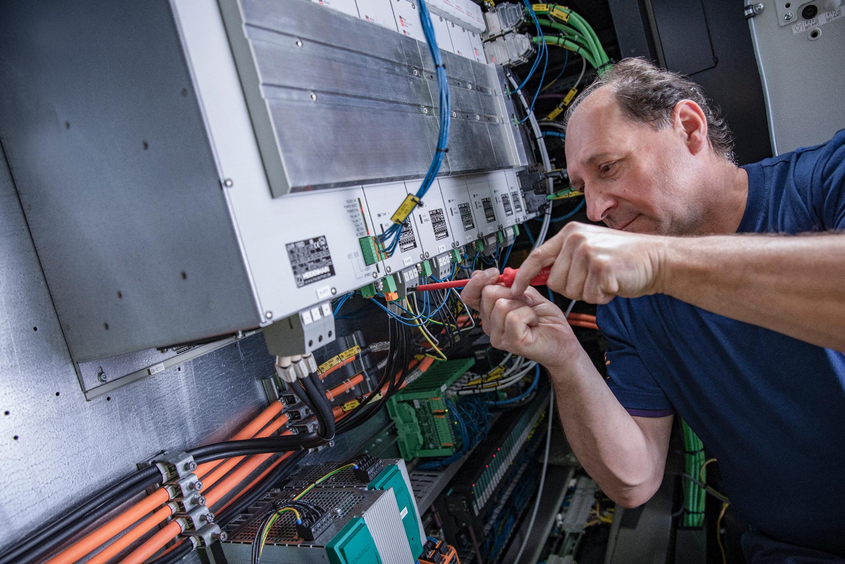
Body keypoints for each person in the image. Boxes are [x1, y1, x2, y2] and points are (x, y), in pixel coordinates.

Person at [461, 58, 845, 563]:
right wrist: (565, 359)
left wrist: (660, 263)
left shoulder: (823, 182)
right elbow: (635, 480)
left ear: (688, 127)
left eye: (607, 168)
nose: (595, 209)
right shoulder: (630, 305)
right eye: (582, 188)